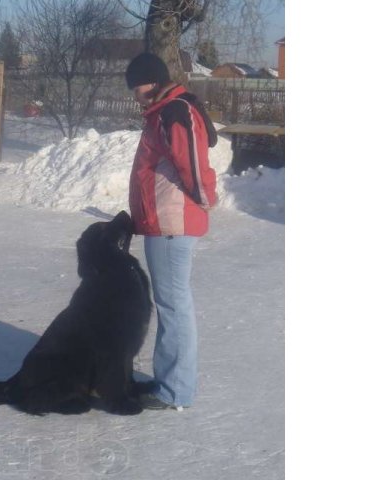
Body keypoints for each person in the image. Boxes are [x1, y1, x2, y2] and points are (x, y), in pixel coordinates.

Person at [125, 52, 218, 411]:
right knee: (171, 304)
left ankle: (176, 390)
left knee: (174, 305)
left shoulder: (173, 110)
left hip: (171, 223)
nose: (135, 93)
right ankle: (169, 381)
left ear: (154, 81)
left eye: (138, 85)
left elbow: (191, 161)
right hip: (164, 222)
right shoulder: (164, 110)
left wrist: (204, 197)